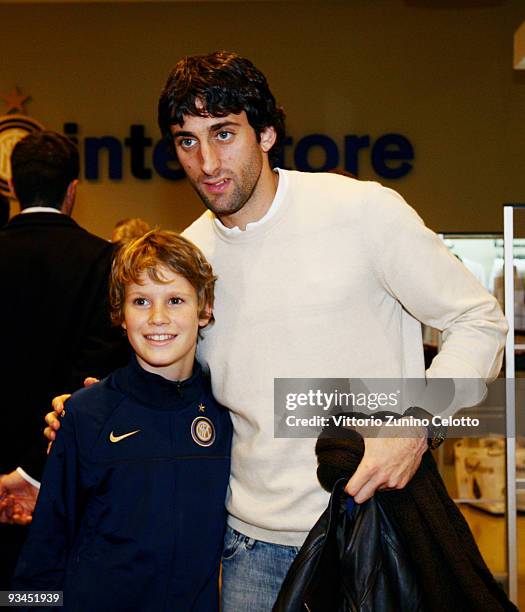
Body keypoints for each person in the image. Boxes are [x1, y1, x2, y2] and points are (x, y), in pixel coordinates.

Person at [47, 51, 508, 610]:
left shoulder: (363, 212)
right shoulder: (191, 256)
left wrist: (415, 425)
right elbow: (180, 385)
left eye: (224, 133)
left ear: (265, 133)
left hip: (372, 528)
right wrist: (98, 413)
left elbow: (479, 320)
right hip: (250, 551)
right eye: (187, 141)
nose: (208, 162)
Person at [14, 230, 232, 611]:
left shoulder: (228, 411)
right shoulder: (84, 415)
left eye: (175, 300)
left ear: (204, 309)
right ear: (120, 313)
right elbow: (40, 558)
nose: (158, 317)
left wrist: (375, 426)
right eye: (141, 301)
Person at [0, 130, 129, 588]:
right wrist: (34, 471)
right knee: (49, 596)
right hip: (68, 475)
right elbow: (97, 376)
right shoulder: (105, 261)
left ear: (12, 186)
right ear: (72, 189)